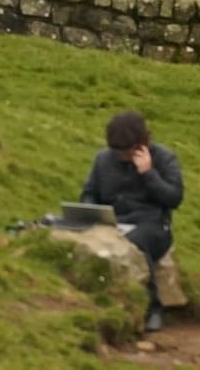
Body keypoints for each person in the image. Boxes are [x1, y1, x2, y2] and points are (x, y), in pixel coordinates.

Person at [79, 110, 184, 333]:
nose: (122, 156)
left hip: (153, 226)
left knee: (136, 242)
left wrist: (148, 173)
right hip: (114, 222)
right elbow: (89, 192)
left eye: (126, 151)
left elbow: (174, 198)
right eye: (117, 151)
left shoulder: (164, 158)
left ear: (142, 142)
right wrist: (92, 211)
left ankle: (153, 308)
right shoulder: (103, 159)